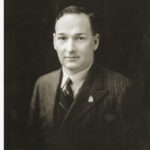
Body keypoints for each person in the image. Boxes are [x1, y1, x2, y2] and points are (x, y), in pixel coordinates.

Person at [27, 5, 140, 150]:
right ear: (54, 41)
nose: (70, 48)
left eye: (79, 38)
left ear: (95, 42)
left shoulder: (121, 89)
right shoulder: (43, 84)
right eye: (62, 38)